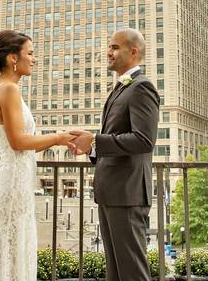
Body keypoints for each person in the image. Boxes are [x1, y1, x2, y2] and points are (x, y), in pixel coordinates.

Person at [0, 30, 77, 281]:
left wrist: (60, 139)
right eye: (30, 53)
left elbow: (23, 144)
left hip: (15, 180)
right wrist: (57, 137)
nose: (34, 59)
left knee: (11, 252)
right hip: (12, 185)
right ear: (13, 58)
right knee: (13, 254)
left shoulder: (2, 88)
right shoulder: (9, 90)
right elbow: (19, 142)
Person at [71, 29, 160, 281]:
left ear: (133, 52)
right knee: (116, 273)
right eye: (109, 47)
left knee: (132, 273)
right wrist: (91, 148)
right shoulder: (121, 88)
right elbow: (118, 138)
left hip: (128, 194)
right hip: (111, 192)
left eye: (114, 47)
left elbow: (144, 140)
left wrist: (96, 140)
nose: (108, 52)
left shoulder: (142, 87)